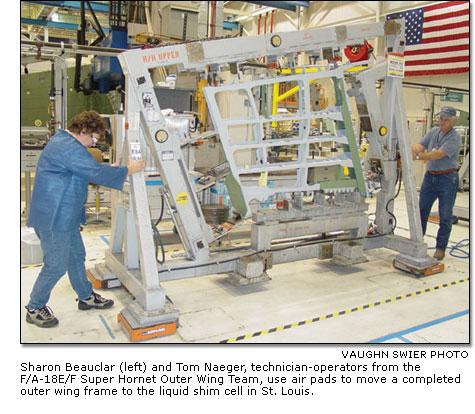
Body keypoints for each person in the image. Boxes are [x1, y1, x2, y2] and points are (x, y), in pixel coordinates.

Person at [25, 110, 145, 328]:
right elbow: (93, 171)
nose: (93, 143)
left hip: (64, 215)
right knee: (56, 265)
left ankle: (85, 296)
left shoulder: (65, 143)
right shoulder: (68, 148)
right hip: (54, 218)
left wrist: (113, 169)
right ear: (82, 131)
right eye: (94, 138)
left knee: (76, 256)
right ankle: (34, 307)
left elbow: (86, 170)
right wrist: (129, 169)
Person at [412, 106, 461, 261]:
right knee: (421, 211)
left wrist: (418, 157)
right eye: (441, 118)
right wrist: (408, 150)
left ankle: (441, 247)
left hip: (447, 179)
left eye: (446, 119)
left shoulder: (455, 137)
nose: (442, 122)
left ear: (453, 120)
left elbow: (437, 154)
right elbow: (419, 146)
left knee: (445, 215)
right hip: (430, 177)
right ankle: (417, 243)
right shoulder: (433, 131)